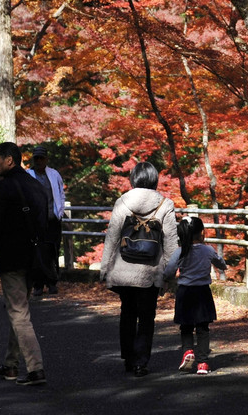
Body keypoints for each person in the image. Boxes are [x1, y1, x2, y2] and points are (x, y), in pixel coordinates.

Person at [99, 161, 178, 377]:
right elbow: (171, 241)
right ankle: (141, 362)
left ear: (134, 178)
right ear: (154, 179)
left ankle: (128, 357)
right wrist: (169, 273)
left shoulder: (123, 201)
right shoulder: (165, 204)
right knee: (146, 316)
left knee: (127, 312)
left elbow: (113, 236)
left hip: (123, 269)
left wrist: (105, 267)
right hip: (150, 271)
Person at [0, 141, 49, 386]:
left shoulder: (3, 188)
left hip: (11, 258)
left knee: (18, 313)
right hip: (34, 258)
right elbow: (45, 222)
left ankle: (36, 368)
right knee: (19, 310)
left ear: (9, 160)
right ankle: (10, 365)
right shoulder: (36, 185)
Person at [164, 217, 227, 375]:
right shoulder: (208, 250)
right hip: (202, 292)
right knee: (203, 328)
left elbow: (169, 271)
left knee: (186, 326)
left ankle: (188, 352)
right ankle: (203, 363)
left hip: (185, 292)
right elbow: (222, 264)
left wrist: (165, 280)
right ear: (201, 233)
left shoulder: (180, 251)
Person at [27, 145, 65, 295]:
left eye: (42, 158)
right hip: (36, 221)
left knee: (53, 251)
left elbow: (61, 193)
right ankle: (38, 284)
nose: (39, 161)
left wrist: (59, 212)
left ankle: (52, 282)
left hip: (52, 219)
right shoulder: (28, 175)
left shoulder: (54, 174)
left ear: (46, 159)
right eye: (36, 158)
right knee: (36, 253)